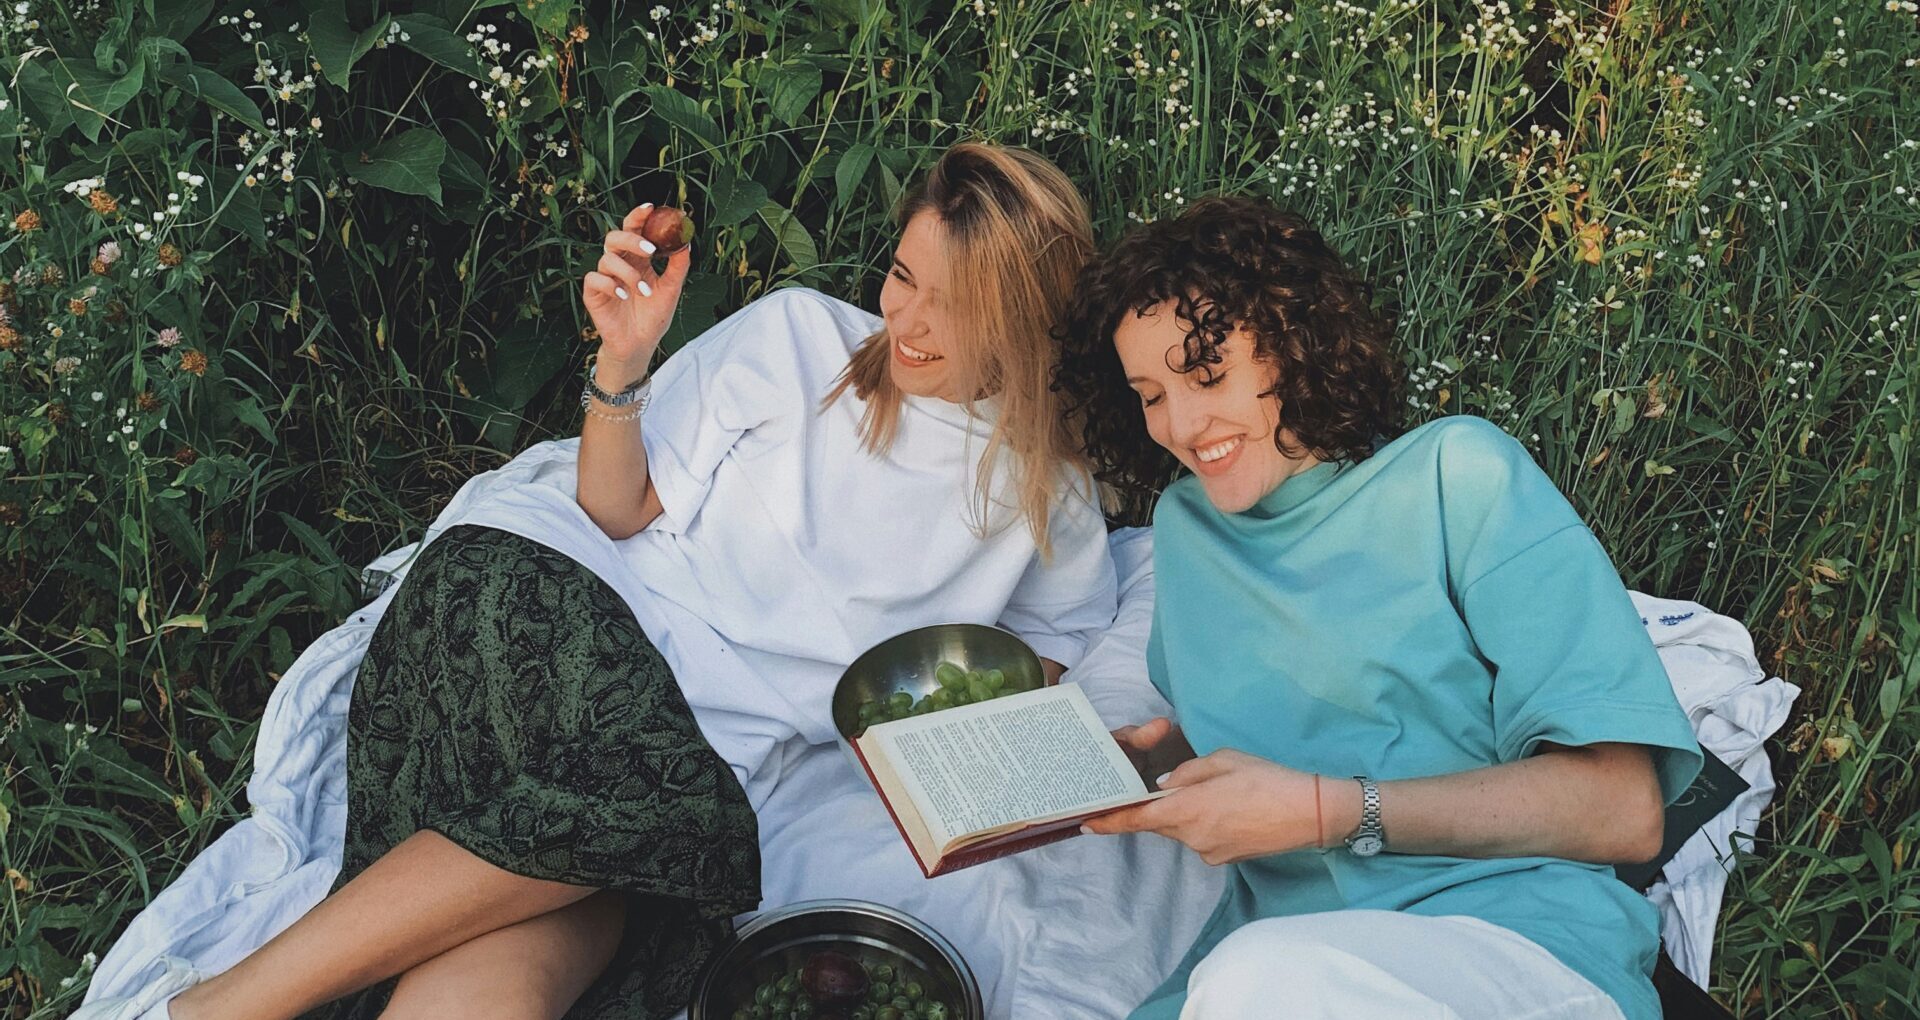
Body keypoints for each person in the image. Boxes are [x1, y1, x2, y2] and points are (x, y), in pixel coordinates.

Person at [162, 141, 1127, 1020]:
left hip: (686, 776)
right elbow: (617, 507)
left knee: (579, 926)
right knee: (639, 817)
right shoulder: (799, 342)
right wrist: (624, 360)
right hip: (558, 609)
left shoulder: (1047, 497)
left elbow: (1056, 651)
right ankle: (218, 1011)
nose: (910, 321)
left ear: (1026, 317)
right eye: (903, 277)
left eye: (956, 306)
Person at [1053, 194, 1703, 1020]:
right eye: (1149, 394)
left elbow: (1625, 811)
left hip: (1503, 941)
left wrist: (1330, 813)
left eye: (1206, 373)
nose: (1180, 424)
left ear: (1292, 344)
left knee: (1265, 981)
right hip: (1282, 957)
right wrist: (1160, 758)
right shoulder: (1185, 533)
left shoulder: (1456, 478)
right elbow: (1308, 717)